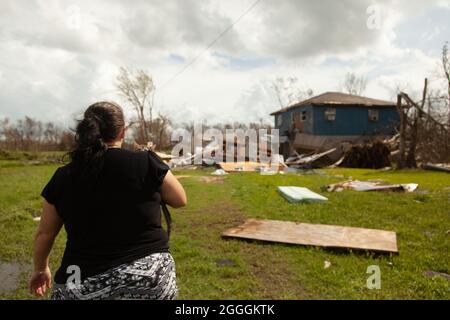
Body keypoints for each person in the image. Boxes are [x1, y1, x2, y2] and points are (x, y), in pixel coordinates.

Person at [28, 101, 186, 300]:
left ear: (85, 131)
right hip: (150, 278)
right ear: (123, 132)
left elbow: (45, 233)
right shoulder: (146, 161)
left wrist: (41, 268)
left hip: (80, 280)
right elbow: (180, 199)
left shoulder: (64, 175)